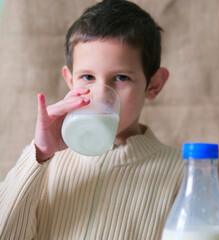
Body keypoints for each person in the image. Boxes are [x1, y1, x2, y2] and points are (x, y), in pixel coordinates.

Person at [0, 0, 183, 239]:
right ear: (70, 80)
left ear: (154, 84)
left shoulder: (182, 172)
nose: (100, 94)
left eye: (121, 77)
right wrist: (40, 154)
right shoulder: (43, 162)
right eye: (87, 76)